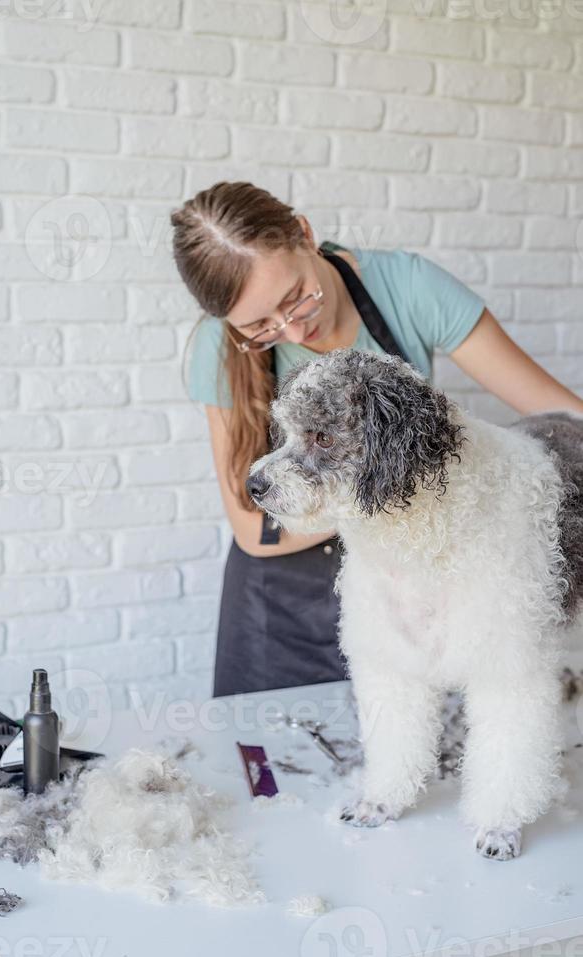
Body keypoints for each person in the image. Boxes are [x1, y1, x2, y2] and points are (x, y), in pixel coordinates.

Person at [169, 180, 583, 699]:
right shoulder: (218, 347)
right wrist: (386, 497)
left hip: (405, 579)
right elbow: (256, 531)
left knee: (407, 741)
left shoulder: (409, 287)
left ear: (304, 235)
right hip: (280, 590)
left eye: (296, 298)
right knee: (261, 759)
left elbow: (563, 413)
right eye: (262, 328)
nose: (294, 334)